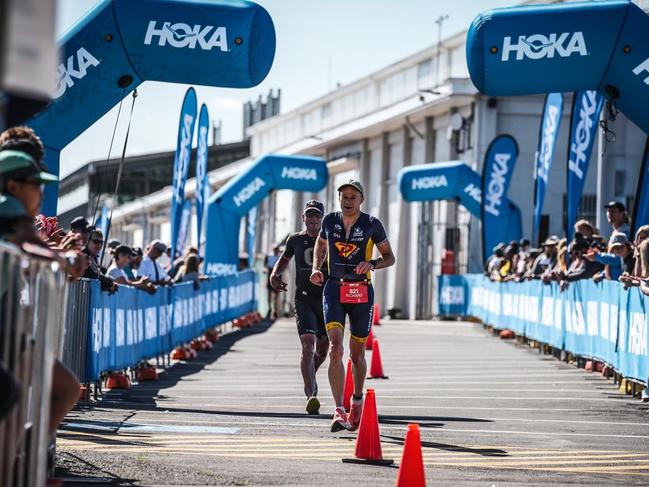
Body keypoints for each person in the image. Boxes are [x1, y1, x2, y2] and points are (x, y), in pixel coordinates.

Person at [311, 180, 395, 432]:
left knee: (356, 353)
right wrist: (317, 267)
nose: (348, 201)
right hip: (334, 288)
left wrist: (371, 263)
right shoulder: (329, 221)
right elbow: (321, 244)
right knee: (335, 349)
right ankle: (338, 409)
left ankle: (356, 399)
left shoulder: (372, 224)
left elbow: (390, 257)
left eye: (353, 197)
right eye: (344, 196)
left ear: (362, 200)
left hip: (361, 291)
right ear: (339, 199)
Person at [269, 200, 329, 415]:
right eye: (309, 216)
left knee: (322, 351)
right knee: (308, 345)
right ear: (303, 218)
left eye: (316, 216)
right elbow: (283, 260)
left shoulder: (331, 238)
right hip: (303, 299)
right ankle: (311, 393)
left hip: (327, 300)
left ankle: (310, 374)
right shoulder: (295, 239)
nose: (313, 220)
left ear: (322, 218)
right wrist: (274, 274)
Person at [265, 245, 282, 319]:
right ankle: (269, 309)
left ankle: (276, 311)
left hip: (278, 276)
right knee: (269, 294)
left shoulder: (280, 257)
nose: (276, 250)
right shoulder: (269, 256)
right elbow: (265, 266)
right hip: (270, 274)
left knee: (276, 295)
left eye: (277, 249)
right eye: (275, 249)